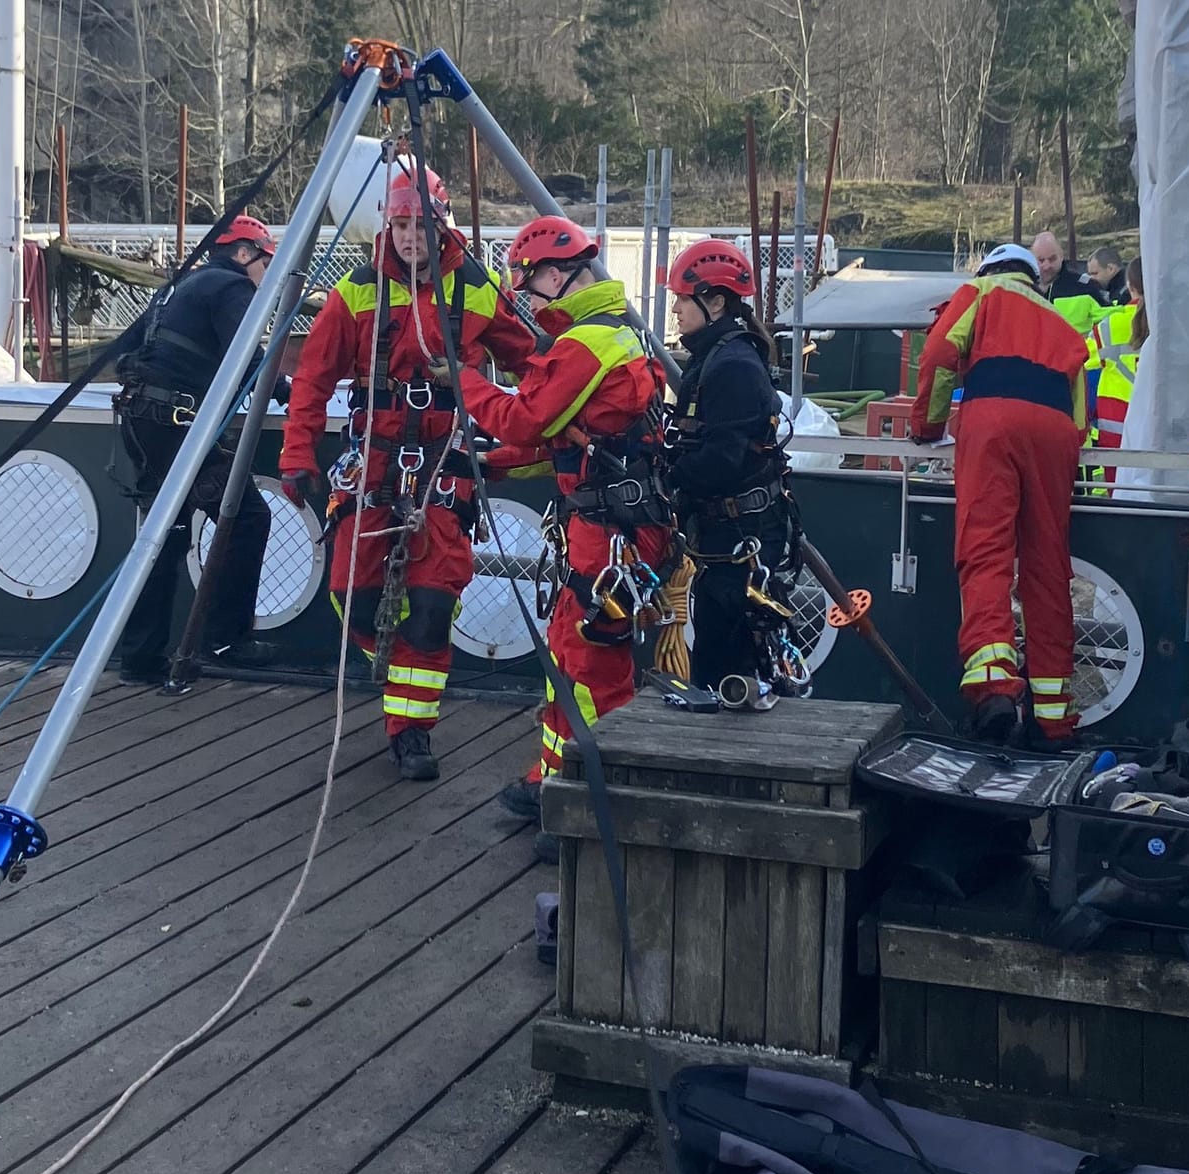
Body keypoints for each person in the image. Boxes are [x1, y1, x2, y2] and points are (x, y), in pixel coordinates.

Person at [279, 168, 534, 780]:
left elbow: (533, 361)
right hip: (373, 465)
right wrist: (297, 455)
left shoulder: (476, 287)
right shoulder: (356, 292)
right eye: (400, 225)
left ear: (439, 224)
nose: (410, 237)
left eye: (421, 225)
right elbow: (312, 380)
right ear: (386, 226)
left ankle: (411, 732)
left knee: (430, 608)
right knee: (354, 599)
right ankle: (395, 674)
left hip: (446, 463)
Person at [430, 216, 670, 853]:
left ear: (561, 275)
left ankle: (595, 805)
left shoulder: (588, 344)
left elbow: (525, 418)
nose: (526, 298)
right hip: (603, 526)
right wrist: (488, 464)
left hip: (610, 533)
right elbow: (563, 439)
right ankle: (556, 781)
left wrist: (463, 382)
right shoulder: (605, 339)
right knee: (568, 654)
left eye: (530, 284)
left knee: (594, 669)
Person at [913, 243, 1090, 745]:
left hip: (992, 422)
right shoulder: (1060, 321)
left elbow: (941, 355)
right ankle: (1054, 717)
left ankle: (994, 688)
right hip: (1055, 436)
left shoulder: (980, 292)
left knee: (985, 548)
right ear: (1035, 279)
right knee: (1048, 564)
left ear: (991, 270)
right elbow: (1080, 421)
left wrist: (927, 427)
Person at [112, 214, 284, 684]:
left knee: (164, 536)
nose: (266, 276)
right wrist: (290, 392)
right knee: (248, 516)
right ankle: (228, 639)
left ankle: (140, 656)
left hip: (144, 422)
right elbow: (249, 358)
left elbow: (122, 350)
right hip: (178, 427)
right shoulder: (233, 289)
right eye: (266, 263)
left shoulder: (178, 288)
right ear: (246, 253)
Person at [663, 238, 805, 698]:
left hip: (740, 536)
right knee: (716, 643)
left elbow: (721, 460)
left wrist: (663, 476)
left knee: (728, 658)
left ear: (716, 301)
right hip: (729, 531)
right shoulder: (717, 357)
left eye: (684, 299)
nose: (677, 310)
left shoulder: (733, 365)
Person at [1080, 255, 1145, 495]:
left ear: (1130, 286)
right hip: (1160, 427)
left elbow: (1080, 359)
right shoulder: (1175, 323)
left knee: (1118, 496)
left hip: (1117, 428)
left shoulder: (1111, 325)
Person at [1031, 231, 1110, 334]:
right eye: (1041, 260)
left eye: (1052, 259)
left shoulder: (1086, 287)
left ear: (1061, 256)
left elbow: (1107, 322)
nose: (1047, 266)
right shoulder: (1023, 287)